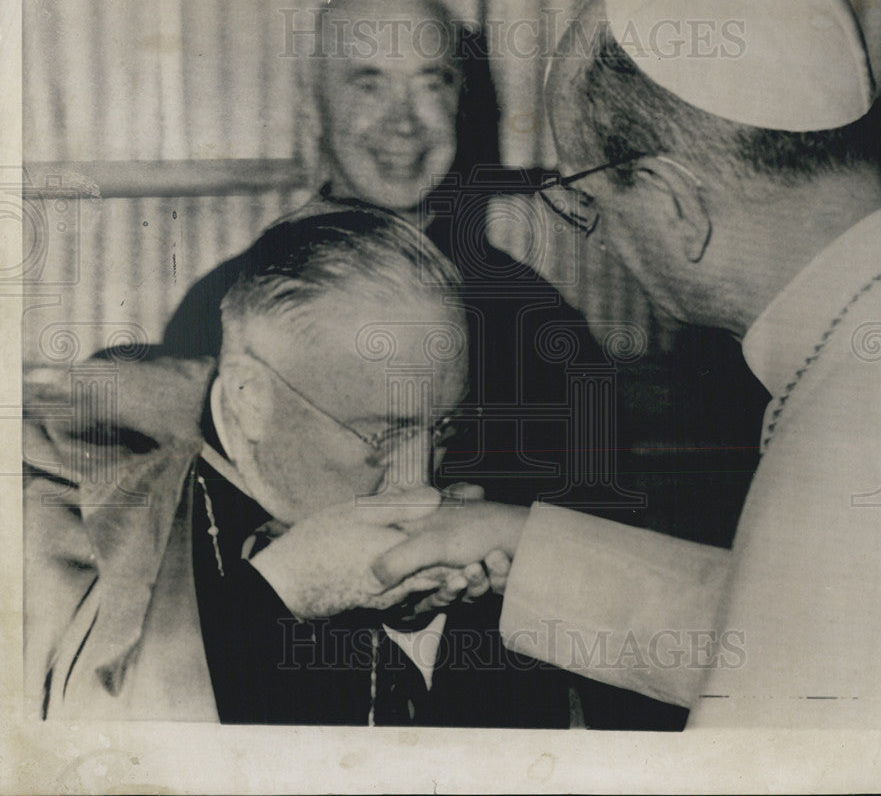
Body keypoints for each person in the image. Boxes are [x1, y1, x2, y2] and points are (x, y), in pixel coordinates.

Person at [369, 0, 881, 729]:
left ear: (675, 205)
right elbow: (796, 640)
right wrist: (520, 547)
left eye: (590, 198)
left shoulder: (854, 442)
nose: (598, 232)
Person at [24, 209, 573, 727]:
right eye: (387, 434)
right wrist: (284, 589)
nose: (420, 482)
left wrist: (421, 626)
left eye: (444, 428)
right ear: (250, 396)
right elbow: (88, 750)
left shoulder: (477, 479)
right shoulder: (59, 489)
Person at [161, 0, 636, 516]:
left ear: (462, 100)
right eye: (368, 84)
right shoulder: (222, 306)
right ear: (313, 107)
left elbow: (588, 543)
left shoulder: (541, 326)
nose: (404, 123)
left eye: (431, 83)